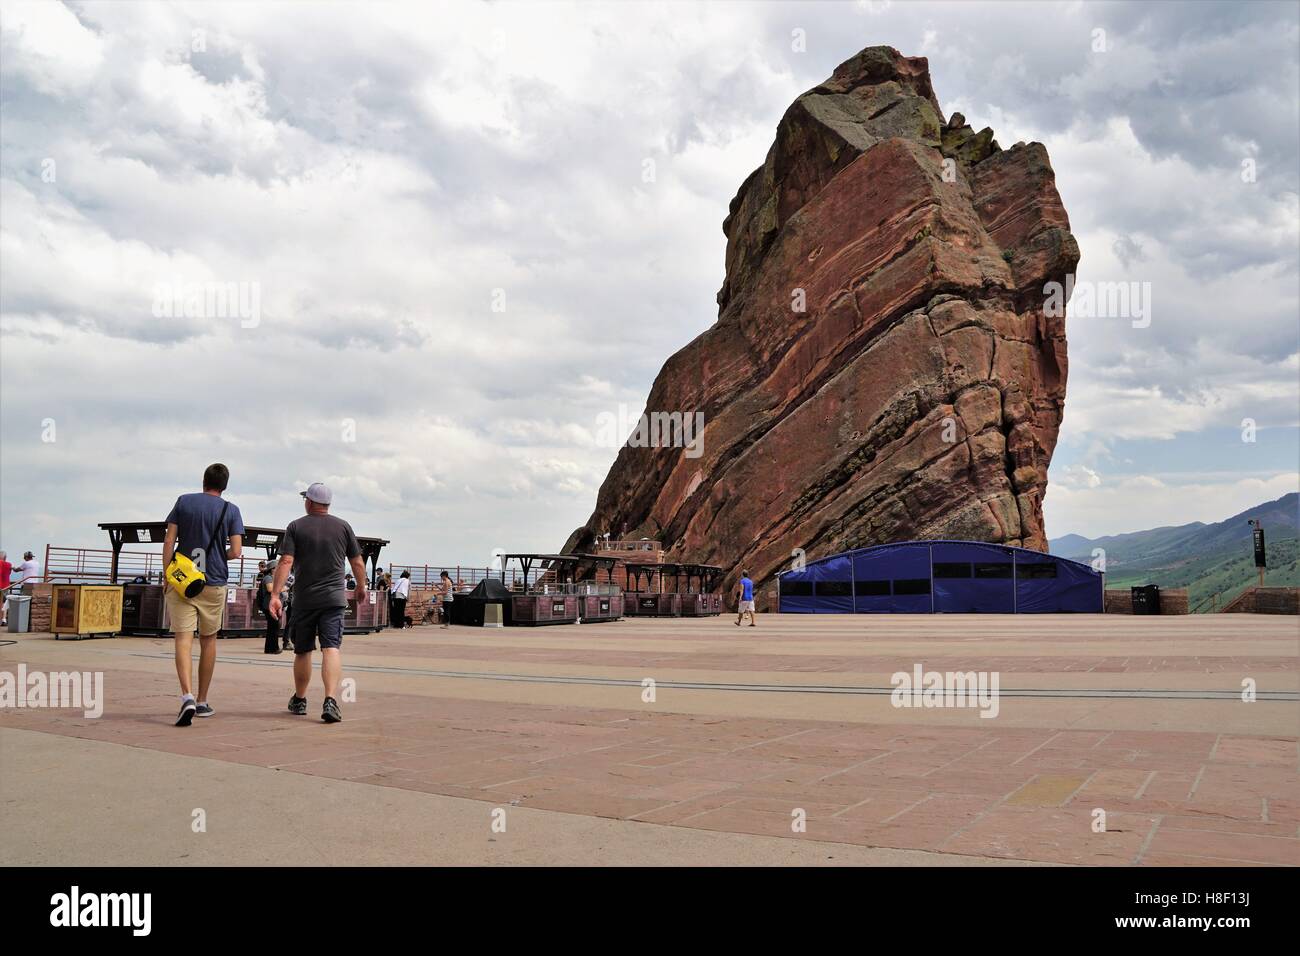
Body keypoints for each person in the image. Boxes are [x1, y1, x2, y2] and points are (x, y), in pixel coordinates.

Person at [268, 483, 365, 724]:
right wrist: (361, 587)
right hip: (333, 600)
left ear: (309, 502)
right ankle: (331, 699)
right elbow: (357, 562)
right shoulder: (343, 527)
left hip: (305, 600)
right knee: (331, 647)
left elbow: (286, 562)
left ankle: (300, 700)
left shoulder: (296, 526)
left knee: (303, 651)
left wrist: (275, 595)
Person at [162, 463, 245, 725]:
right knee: (208, 641)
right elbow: (236, 551)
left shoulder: (184, 502)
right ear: (224, 485)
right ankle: (202, 700)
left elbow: (169, 540)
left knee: (182, 639)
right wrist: (219, 556)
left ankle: (185, 695)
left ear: (203, 481)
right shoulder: (231, 510)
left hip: (183, 582)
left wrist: (167, 574)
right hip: (214, 581)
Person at [0, 551, 10, 626]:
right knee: (4, 603)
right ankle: (3, 619)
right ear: (5, 557)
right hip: (5, 586)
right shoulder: (9, 564)